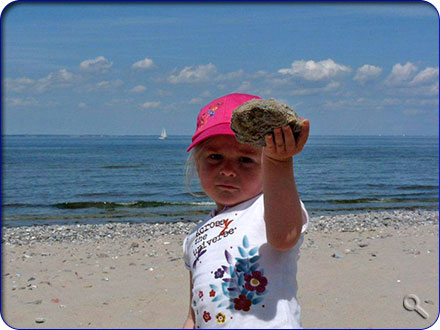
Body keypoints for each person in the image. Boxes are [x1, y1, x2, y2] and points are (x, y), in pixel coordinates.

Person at [182, 93, 310, 329]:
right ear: (197, 163)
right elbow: (194, 312)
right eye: (215, 157)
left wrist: (280, 163)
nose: (228, 170)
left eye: (246, 160)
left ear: (266, 164)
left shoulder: (266, 207)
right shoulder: (194, 237)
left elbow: (285, 237)